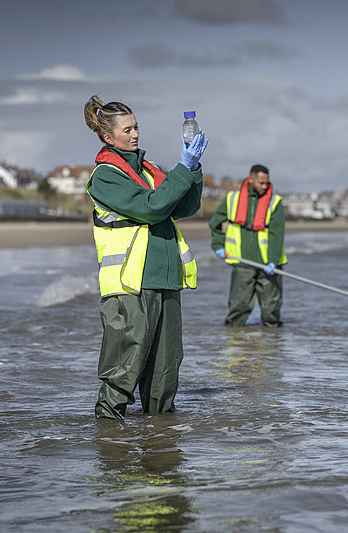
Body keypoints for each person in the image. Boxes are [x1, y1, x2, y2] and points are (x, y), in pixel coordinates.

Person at [83, 95, 208, 420]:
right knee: (125, 365)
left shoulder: (149, 171)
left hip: (166, 278)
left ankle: (159, 436)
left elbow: (184, 206)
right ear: (108, 137)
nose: (136, 134)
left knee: (166, 369)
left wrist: (193, 169)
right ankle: (108, 437)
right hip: (131, 282)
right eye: (127, 129)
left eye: (136, 126)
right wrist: (182, 168)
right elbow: (151, 207)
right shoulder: (106, 176)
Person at [209, 164, 288, 327]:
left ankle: (273, 341)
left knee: (271, 311)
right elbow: (215, 223)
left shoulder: (275, 202)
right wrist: (218, 245)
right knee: (238, 309)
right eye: (261, 183)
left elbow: (277, 234)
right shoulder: (232, 199)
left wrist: (273, 261)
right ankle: (235, 340)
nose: (265, 186)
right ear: (251, 179)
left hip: (268, 265)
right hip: (242, 262)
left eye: (267, 183)